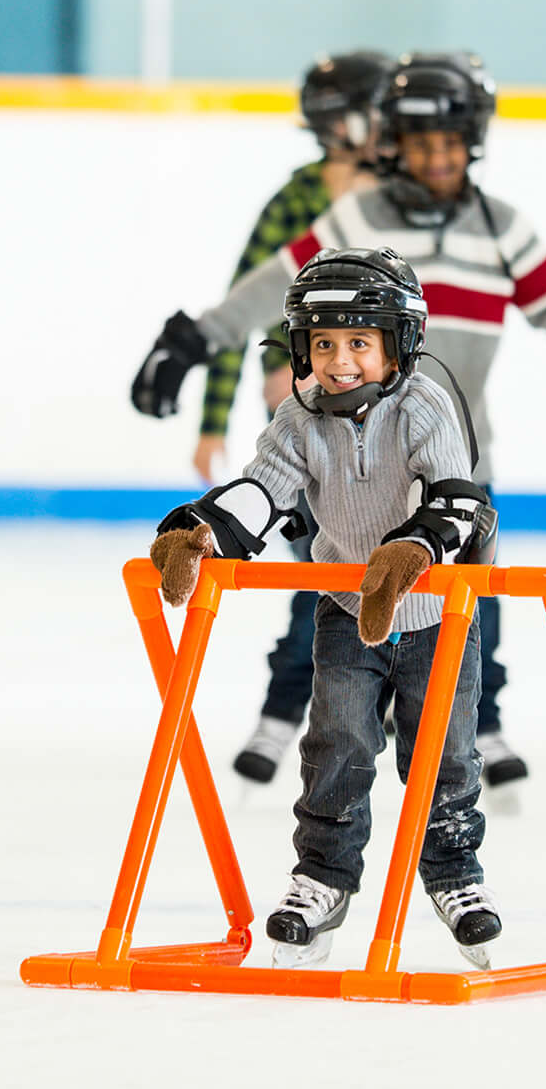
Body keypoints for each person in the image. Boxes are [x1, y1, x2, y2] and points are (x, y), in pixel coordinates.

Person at [131, 52, 546, 794]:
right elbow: (277, 284)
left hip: (462, 462)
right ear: (391, 142)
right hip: (354, 453)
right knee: (336, 581)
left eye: (451, 142)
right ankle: (328, 713)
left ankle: (479, 717)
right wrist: (196, 338)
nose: (436, 158)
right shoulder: (360, 221)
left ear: (474, 142)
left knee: (474, 595)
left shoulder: (501, 228)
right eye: (419, 142)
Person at [146, 249, 500, 967]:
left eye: (359, 343)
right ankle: (323, 876)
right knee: (336, 742)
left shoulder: (425, 404)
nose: (339, 361)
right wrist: (204, 533)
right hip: (347, 606)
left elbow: (457, 498)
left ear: (398, 344)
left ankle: (456, 875)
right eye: (324, 343)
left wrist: (413, 552)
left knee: (443, 752)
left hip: (439, 613)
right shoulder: (299, 416)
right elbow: (264, 489)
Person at [191, 51, 391, 787]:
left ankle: (388, 709)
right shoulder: (298, 199)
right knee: (322, 568)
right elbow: (241, 304)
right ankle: (283, 715)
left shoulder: (404, 198)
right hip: (307, 419)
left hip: (394, 420)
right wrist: (214, 421)